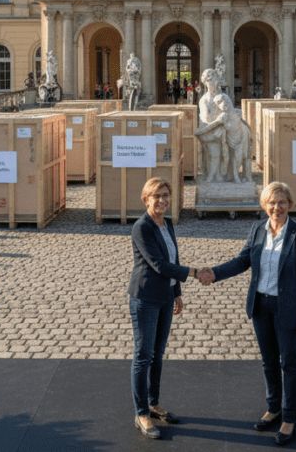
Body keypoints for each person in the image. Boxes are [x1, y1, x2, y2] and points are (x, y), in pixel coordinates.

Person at [204, 181, 296, 446]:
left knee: (289, 363)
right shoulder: (257, 229)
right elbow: (243, 261)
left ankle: (289, 418)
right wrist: (214, 273)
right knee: (268, 361)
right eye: (272, 203)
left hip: (287, 309)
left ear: (290, 204)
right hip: (260, 307)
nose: (277, 207)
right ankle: (273, 407)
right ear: (265, 205)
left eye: (282, 202)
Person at [127, 177, 203, 440]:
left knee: (158, 355)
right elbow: (159, 264)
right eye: (156, 196)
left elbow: (174, 258)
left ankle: (153, 403)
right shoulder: (142, 228)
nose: (162, 200)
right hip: (145, 298)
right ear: (146, 198)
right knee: (143, 356)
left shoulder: (167, 224)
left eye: (165, 195)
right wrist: (194, 273)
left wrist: (177, 292)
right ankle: (141, 414)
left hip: (166, 297)